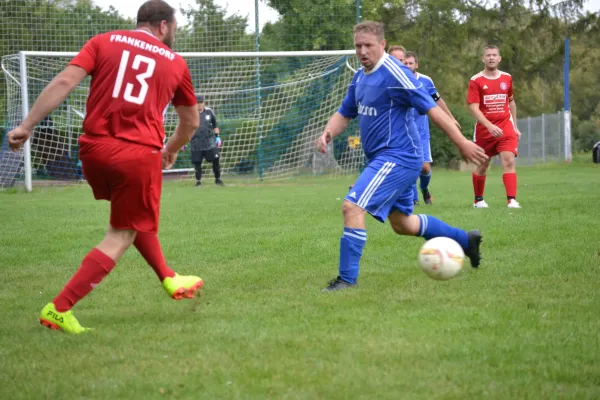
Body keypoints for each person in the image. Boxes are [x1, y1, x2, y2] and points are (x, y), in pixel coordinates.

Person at [7, 0, 203, 334]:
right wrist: (170, 149)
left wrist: (27, 126)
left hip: (94, 150)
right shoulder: (175, 63)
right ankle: (59, 308)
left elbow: (65, 82)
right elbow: (191, 122)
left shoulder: (103, 41)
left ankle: (168, 277)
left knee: (130, 215)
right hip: (137, 154)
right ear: (164, 26)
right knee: (121, 234)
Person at [315, 21, 488, 291]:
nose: (362, 51)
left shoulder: (395, 74)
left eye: (368, 45)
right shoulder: (360, 76)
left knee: (352, 207)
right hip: (384, 159)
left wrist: (462, 142)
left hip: (399, 157)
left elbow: (432, 108)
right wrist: (328, 132)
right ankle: (466, 241)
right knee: (402, 224)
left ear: (382, 45)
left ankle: (347, 281)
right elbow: (345, 113)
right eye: (358, 46)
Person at [401, 51, 461, 205]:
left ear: (416, 64)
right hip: (403, 132)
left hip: (421, 132)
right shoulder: (397, 80)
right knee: (411, 166)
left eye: (410, 63)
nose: (407, 66)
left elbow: (438, 100)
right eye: (405, 63)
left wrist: (451, 118)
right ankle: (413, 200)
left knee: (425, 168)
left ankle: (425, 190)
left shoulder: (425, 81)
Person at [468, 45, 522, 208]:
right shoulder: (475, 80)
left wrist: (515, 126)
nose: (491, 58)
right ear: (482, 59)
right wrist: (489, 126)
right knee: (483, 164)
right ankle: (478, 200)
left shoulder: (507, 78)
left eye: (494, 55)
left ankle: (511, 200)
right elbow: (473, 107)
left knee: (508, 160)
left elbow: (511, 102)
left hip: (505, 127)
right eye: (488, 55)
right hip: (485, 131)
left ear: (499, 59)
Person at [190, 95, 224, 186]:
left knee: (216, 158)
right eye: (197, 103)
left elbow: (215, 125)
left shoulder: (209, 112)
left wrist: (217, 136)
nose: (199, 105)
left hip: (209, 141)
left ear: (204, 103)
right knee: (197, 162)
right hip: (196, 142)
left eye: (201, 102)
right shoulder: (190, 113)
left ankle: (218, 179)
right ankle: (198, 182)